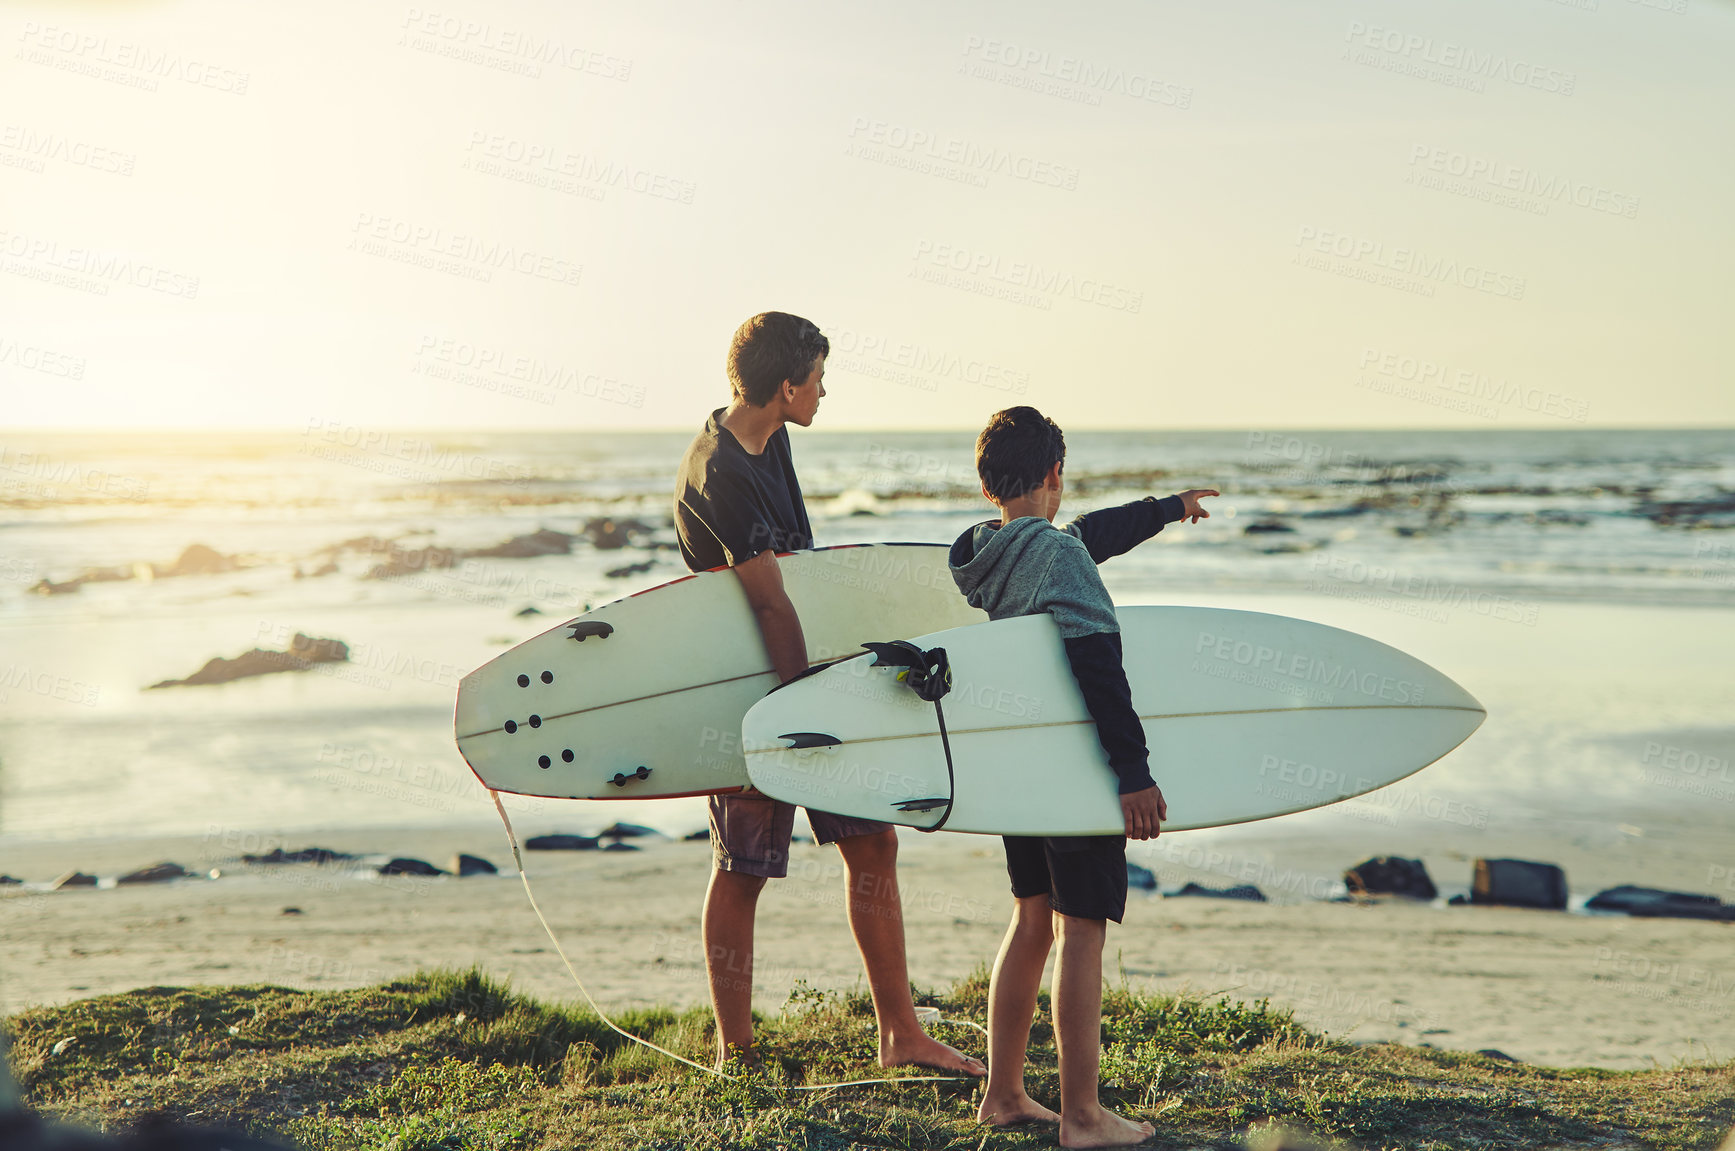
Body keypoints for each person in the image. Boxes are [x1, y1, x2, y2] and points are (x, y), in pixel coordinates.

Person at [672, 311, 985, 1076]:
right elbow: (770, 602)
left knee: (872, 841)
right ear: (785, 386)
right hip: (757, 688)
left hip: (815, 671)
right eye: (816, 378)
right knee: (743, 865)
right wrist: (803, 711)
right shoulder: (722, 473)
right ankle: (735, 1051)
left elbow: (802, 568)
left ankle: (899, 1032)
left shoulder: (764, 434)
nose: (824, 391)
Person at [946, 405, 1216, 1148]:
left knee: (1031, 917)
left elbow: (1082, 537)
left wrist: (1166, 509)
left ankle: (1002, 1093)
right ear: (1054, 474)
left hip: (1018, 771)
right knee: (1082, 930)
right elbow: (1100, 668)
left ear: (987, 482)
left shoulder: (989, 554)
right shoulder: (1058, 561)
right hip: (1073, 774)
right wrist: (1133, 775)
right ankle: (1083, 1116)